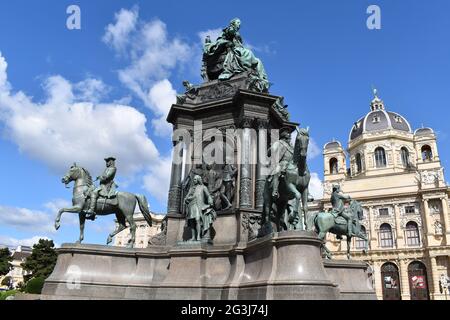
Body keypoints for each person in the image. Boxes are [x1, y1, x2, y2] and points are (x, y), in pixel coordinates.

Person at [184, 175, 216, 241]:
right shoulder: (191, 188)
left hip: (199, 205)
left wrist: (210, 202)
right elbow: (186, 197)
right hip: (191, 205)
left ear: (198, 180)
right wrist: (187, 199)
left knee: (197, 219)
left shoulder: (203, 187)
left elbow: (208, 195)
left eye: (195, 179)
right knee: (192, 221)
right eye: (194, 179)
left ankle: (198, 236)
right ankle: (193, 237)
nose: (194, 180)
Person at [267, 128, 294, 200]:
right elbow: (270, 151)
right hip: (282, 163)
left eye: (290, 137)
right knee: (277, 170)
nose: (290, 139)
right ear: (285, 137)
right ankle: (275, 191)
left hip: (291, 164)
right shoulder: (279, 142)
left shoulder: (291, 147)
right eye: (289, 137)